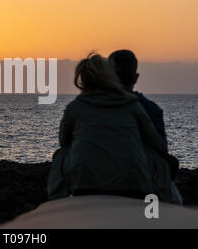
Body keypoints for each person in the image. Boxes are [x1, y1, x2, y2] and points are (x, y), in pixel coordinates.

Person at [48, 53, 175, 203]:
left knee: (62, 154)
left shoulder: (75, 107)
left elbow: (64, 142)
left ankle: (57, 201)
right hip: (133, 186)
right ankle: (167, 206)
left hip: (84, 185)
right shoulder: (132, 105)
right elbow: (158, 145)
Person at [108, 49, 183, 204]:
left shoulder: (91, 106)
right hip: (139, 177)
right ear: (136, 78)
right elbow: (161, 149)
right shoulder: (150, 109)